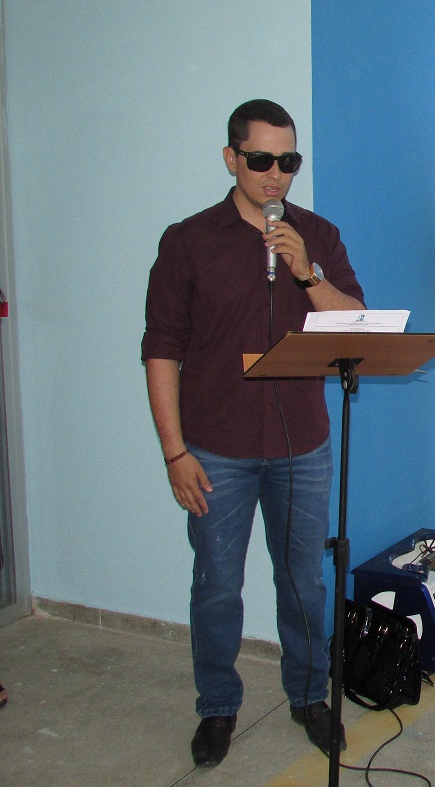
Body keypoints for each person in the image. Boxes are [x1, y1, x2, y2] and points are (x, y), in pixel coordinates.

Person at [142, 100, 365, 767]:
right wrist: (174, 452)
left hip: (303, 446)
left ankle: (309, 695)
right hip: (216, 448)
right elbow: (161, 350)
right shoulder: (188, 241)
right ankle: (217, 706)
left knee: (304, 582)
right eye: (261, 159)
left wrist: (306, 273)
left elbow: (356, 322)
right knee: (216, 585)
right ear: (231, 158)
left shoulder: (317, 235)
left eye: (288, 161)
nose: (276, 175)